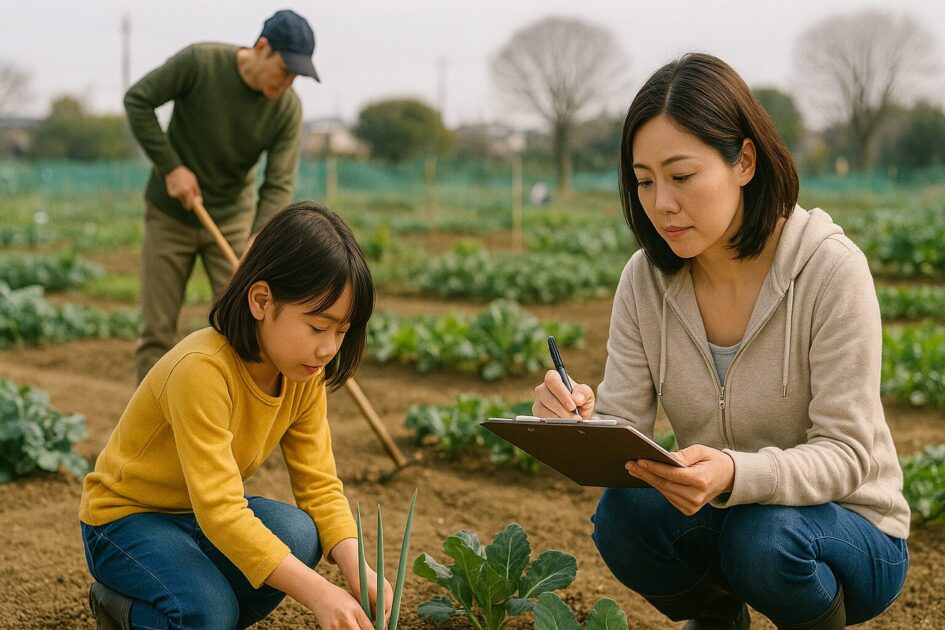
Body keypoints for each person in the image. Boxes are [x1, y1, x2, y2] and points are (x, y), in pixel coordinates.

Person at [532, 53, 909, 630]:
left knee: (765, 536)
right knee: (624, 516)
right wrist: (578, 421)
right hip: (727, 515)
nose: (661, 203)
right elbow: (623, 430)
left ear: (745, 162)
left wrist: (735, 472)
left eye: (681, 177)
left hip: (850, 530)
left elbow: (848, 455)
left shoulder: (831, 270)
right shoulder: (645, 279)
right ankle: (716, 619)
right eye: (644, 181)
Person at [79, 202, 389, 629]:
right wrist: (320, 592)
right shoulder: (201, 370)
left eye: (343, 330)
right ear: (262, 300)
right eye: (318, 327)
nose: (328, 348)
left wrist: (359, 569)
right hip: (124, 522)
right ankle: (124, 610)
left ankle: (201, 616)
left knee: (300, 533)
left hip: (196, 518)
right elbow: (222, 511)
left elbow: (319, 487)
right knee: (209, 611)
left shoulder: (302, 373)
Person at [125, 9, 319, 383]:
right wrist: (172, 167)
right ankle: (150, 436)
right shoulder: (201, 62)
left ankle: (234, 430)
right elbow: (138, 100)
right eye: (284, 69)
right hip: (170, 216)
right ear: (262, 48)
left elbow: (277, 183)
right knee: (157, 332)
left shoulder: (287, 109)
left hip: (232, 219)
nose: (287, 82)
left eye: (296, 75)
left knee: (244, 329)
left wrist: (260, 239)